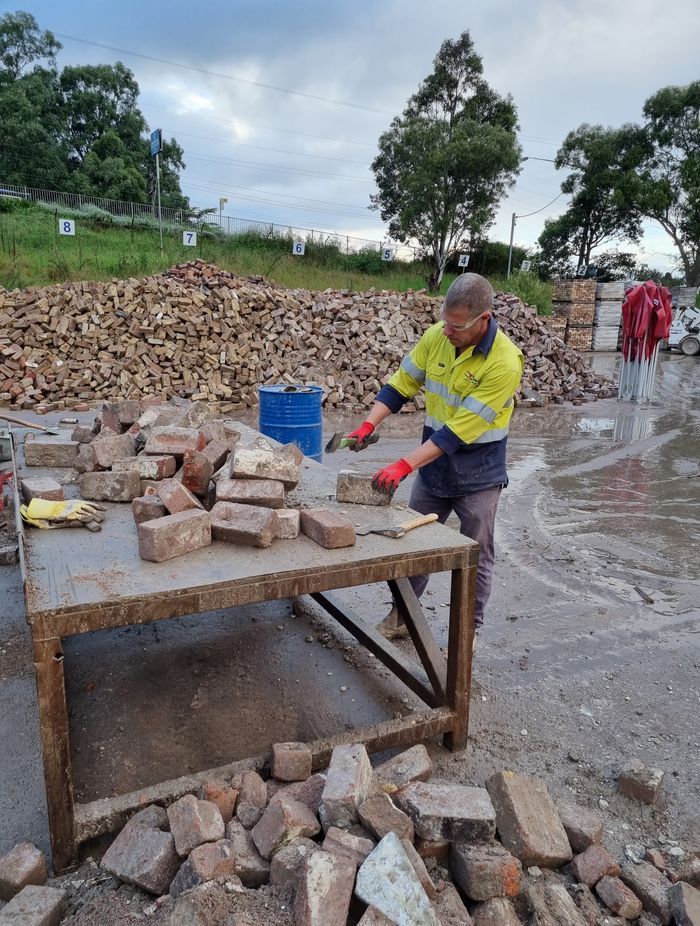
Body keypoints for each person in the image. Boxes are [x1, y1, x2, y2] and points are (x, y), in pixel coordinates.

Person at [346, 272, 524, 645]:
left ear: (484, 320)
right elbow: (400, 384)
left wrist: (404, 465)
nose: (448, 332)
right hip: (434, 467)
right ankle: (402, 616)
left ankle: (467, 631)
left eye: (457, 327)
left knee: (474, 555)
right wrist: (368, 422)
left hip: (479, 473)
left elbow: (458, 431)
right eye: (446, 322)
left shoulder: (505, 362)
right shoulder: (436, 337)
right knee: (412, 546)